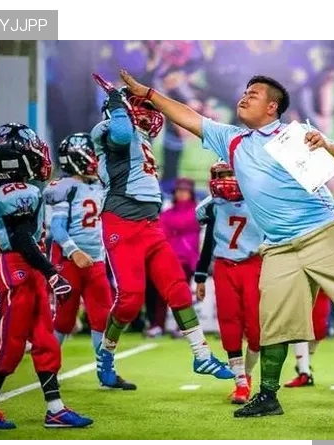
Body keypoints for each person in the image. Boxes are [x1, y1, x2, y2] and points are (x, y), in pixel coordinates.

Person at [118, 69, 334, 418]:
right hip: (278, 245)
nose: (244, 97)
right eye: (245, 92)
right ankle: (268, 396)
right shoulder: (232, 140)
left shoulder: (294, 135)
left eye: (254, 94)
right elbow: (189, 116)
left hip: (325, 231)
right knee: (274, 322)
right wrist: (148, 93)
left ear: (272, 107)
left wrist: (327, 144)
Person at [90, 85, 233, 380]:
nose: (148, 114)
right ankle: (106, 355)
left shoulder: (139, 134)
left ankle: (202, 356)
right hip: (121, 221)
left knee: (177, 288)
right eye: (140, 107)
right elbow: (121, 134)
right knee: (130, 298)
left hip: (150, 224)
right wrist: (117, 102)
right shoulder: (108, 130)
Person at [0, 123, 92, 429]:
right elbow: (22, 239)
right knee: (11, 342)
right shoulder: (20, 192)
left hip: (21, 266)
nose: (39, 155)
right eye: (33, 151)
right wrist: (51, 273)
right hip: (19, 266)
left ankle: (55, 408)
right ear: (15, 160)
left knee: (45, 339)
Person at [43, 133, 136, 390]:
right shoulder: (66, 187)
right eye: (91, 154)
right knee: (64, 319)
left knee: (102, 318)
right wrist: (74, 252)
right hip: (69, 261)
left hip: (95, 261)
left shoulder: (98, 186)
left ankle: (106, 373)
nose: (96, 159)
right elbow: (57, 228)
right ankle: (47, 370)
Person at [194, 161, 262, 404]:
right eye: (220, 175)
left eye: (230, 174)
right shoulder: (213, 206)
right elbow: (209, 242)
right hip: (224, 267)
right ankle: (241, 383)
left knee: (257, 330)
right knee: (229, 325)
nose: (225, 180)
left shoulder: (259, 200)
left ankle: (248, 373)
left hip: (253, 264)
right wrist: (200, 276)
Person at [145, 177, 200, 338]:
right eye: (179, 190)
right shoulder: (168, 212)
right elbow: (161, 230)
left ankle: (183, 327)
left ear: (191, 193)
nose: (181, 193)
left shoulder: (198, 211)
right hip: (168, 257)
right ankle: (158, 325)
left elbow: (183, 224)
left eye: (185, 190)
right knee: (161, 294)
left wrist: (174, 230)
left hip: (186, 259)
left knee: (182, 294)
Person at [283, 290, 330, 388]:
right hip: (299, 290)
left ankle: (304, 364)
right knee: (300, 326)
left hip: (321, 289)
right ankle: (304, 372)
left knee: (319, 330)